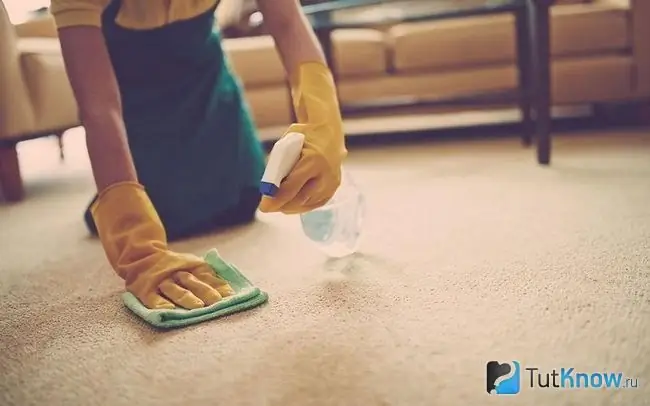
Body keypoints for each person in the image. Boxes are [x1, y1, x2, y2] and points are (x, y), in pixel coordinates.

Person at [51, 0, 347, 310]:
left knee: (244, 200)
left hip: (210, 96)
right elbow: (99, 108)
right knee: (166, 212)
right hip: (138, 112)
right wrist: (136, 247)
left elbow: (288, 23)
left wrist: (322, 120)